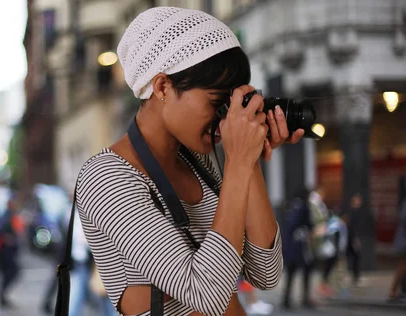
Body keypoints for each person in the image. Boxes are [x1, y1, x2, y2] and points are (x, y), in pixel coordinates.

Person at [74, 7, 304, 315]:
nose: (226, 117)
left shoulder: (197, 161)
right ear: (162, 87)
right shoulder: (105, 177)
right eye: (215, 103)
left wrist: (250, 159)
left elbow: (266, 272)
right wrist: (237, 162)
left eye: (231, 104)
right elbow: (207, 294)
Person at [281, 189, 315, 309]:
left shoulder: (291, 206)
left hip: (289, 245)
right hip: (300, 246)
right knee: (307, 270)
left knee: (291, 273)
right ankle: (305, 298)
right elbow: (310, 224)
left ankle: (286, 299)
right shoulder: (304, 207)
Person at [0, 195, 22, 308]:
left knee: (9, 273)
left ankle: (2, 296)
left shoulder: (12, 215)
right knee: (11, 272)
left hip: (10, 251)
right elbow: (0, 232)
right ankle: (2, 295)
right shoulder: (5, 217)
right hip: (5, 252)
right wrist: (8, 240)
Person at [388, 193, 406, 302]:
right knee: (402, 266)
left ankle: (394, 292)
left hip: (402, 240)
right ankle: (393, 292)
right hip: (404, 241)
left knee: (402, 266)